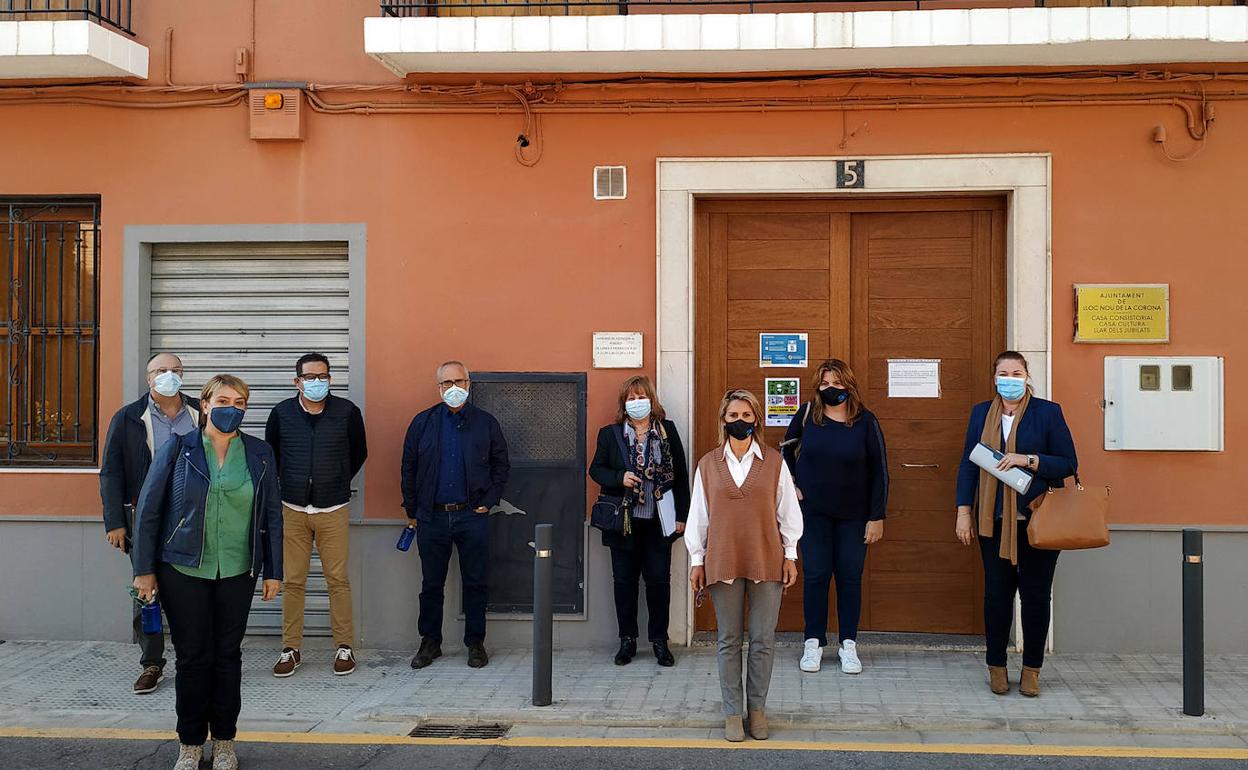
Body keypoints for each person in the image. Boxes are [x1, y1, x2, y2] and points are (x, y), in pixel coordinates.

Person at [131, 375, 283, 770]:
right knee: (193, 657)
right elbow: (149, 511)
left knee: (228, 656)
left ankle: (226, 742)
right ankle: (190, 742)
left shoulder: (260, 453)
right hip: (183, 568)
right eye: (224, 399)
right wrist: (144, 570)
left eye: (240, 401)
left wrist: (273, 570)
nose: (232, 407)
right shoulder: (177, 449)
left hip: (238, 568)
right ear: (205, 403)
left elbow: (272, 515)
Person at [955, 351, 1077, 698]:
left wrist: (1028, 460)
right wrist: (964, 510)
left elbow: (1068, 462)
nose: (1010, 378)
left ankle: (1032, 670)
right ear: (994, 377)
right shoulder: (982, 413)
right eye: (1003, 372)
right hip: (992, 522)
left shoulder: (1047, 412)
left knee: (1036, 597)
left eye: (1016, 372)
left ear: (1027, 376)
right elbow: (968, 464)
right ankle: (996, 667)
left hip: (1038, 520)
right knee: (997, 596)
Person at [686, 389, 802, 743]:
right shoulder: (707, 465)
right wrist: (696, 560)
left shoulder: (774, 462)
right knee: (729, 640)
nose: (740, 422)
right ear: (723, 420)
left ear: (757, 420)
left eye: (746, 416)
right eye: (733, 416)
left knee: (763, 640)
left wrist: (791, 554)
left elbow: (788, 514)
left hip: (767, 560)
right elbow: (698, 518)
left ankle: (758, 711)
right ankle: (732, 713)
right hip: (722, 560)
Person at [99, 352, 200, 695]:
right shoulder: (128, 417)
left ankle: (196, 656)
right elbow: (111, 472)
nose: (168, 375)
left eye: (175, 370)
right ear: (148, 378)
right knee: (147, 590)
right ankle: (152, 662)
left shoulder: (200, 413)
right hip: (143, 517)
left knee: (192, 588)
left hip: (191, 517)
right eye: (161, 370)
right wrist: (115, 521)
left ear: (183, 375)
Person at [401, 361, 510, 670]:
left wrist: (488, 500)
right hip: (431, 517)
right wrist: (413, 510)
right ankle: (430, 642)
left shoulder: (485, 423)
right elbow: (408, 467)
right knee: (431, 584)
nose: (453, 388)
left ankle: (475, 642)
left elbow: (501, 466)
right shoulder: (422, 423)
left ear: (469, 383)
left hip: (471, 516)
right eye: (446, 383)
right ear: (438, 388)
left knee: (476, 582)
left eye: (459, 381)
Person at [783, 359, 888, 676]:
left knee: (849, 579)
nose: (832, 389)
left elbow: (880, 471)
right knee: (815, 576)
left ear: (850, 385)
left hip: (855, 516)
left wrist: (877, 516)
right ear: (818, 386)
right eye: (826, 383)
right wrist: (794, 486)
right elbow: (786, 451)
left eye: (838, 383)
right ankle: (812, 643)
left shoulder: (866, 421)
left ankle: (848, 645)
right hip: (814, 513)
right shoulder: (806, 416)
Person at [266, 353, 368, 678]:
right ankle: (290, 648)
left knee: (337, 580)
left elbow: (358, 452)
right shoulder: (281, 414)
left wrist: (335, 480)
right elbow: (273, 454)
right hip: (292, 508)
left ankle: (344, 647)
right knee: (293, 581)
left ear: (330, 379)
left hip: (333, 509)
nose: (316, 382)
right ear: (297, 381)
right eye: (309, 377)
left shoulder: (347, 413)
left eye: (322, 376)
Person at [588, 375, 691, 667]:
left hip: (659, 521)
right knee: (624, 582)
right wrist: (619, 477)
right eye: (631, 398)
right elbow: (596, 470)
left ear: (652, 400)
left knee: (658, 581)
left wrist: (682, 516)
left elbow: (680, 476)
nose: (637, 403)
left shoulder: (667, 431)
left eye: (641, 397)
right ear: (624, 403)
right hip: (624, 522)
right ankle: (627, 641)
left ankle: (660, 640)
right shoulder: (610, 434)